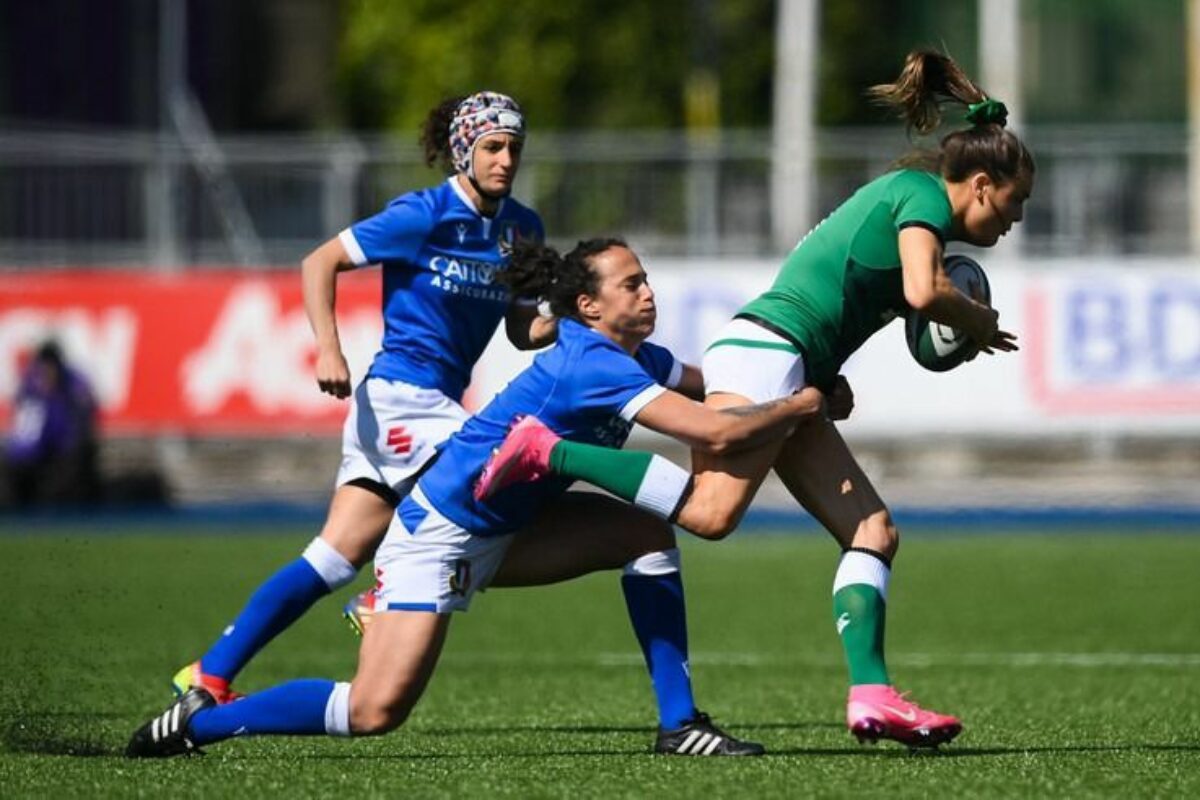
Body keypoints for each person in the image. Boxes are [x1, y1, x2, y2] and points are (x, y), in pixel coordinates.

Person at [475, 50, 1034, 748]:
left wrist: (824, 378)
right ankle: (552, 451)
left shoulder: (913, 203)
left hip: (786, 355)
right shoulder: (922, 199)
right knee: (711, 515)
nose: (1017, 220)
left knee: (873, 530)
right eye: (1017, 203)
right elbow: (924, 293)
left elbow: (843, 291)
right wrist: (978, 321)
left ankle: (872, 696)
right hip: (767, 349)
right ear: (982, 185)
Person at [126, 238, 827, 758]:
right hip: (440, 538)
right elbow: (714, 430)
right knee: (374, 712)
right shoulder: (590, 365)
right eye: (633, 283)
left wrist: (785, 382)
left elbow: (710, 389)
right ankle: (200, 723)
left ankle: (681, 725)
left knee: (645, 536)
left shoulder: (633, 357)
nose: (648, 293)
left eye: (647, 280)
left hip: (512, 526)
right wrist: (800, 402)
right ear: (588, 307)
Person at [166, 91, 667, 721]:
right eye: (491, 146)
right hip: (400, 398)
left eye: (514, 146)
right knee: (491, 480)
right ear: (463, 152)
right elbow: (318, 261)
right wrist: (328, 348)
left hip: (435, 405)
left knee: (332, 556)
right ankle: (381, 598)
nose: (505, 158)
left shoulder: (522, 230)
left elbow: (518, 330)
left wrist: (561, 324)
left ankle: (208, 674)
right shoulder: (422, 216)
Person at [3, 340, 99, 508]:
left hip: (62, 449)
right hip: (36, 452)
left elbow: (84, 418)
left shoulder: (73, 384)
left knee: (74, 463)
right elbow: (24, 429)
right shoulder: (31, 385)